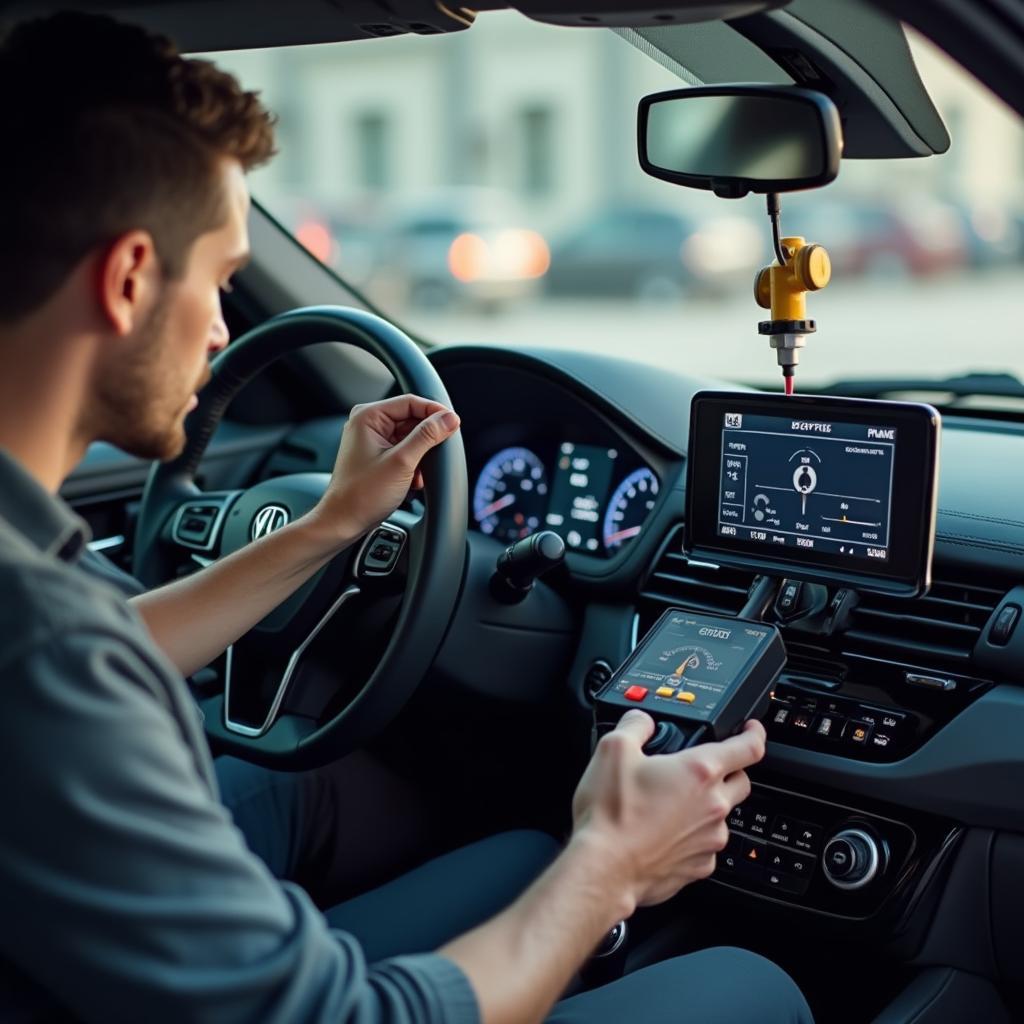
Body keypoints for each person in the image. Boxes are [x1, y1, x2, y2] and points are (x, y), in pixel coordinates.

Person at [0, 11, 813, 1024]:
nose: (220, 326)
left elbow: (103, 646)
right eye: (218, 279)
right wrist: (612, 869)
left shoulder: (35, 587)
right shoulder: (52, 654)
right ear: (125, 280)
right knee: (752, 985)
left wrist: (331, 525)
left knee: (524, 855)